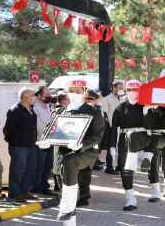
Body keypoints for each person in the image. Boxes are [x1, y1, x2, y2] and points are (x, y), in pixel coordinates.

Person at [38, 79, 105, 226]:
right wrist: (45, 141)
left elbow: (97, 136)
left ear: (85, 92)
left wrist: (81, 144)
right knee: (64, 188)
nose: (75, 94)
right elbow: (50, 130)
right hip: (62, 154)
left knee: (70, 163)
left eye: (78, 91)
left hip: (85, 153)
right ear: (67, 93)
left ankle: (67, 210)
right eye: (72, 91)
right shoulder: (60, 111)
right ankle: (69, 220)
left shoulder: (93, 112)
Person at [111, 80, 154, 211]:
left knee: (131, 162)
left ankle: (146, 161)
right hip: (125, 140)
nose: (132, 93)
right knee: (125, 171)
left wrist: (147, 113)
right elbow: (114, 128)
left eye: (135, 90)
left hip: (141, 138)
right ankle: (130, 199)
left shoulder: (145, 106)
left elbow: (151, 127)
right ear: (126, 91)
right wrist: (112, 146)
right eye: (129, 90)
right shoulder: (120, 107)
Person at [3, 88, 38, 203]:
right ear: (25, 97)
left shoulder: (31, 109)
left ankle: (25, 191)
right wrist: (13, 142)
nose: (35, 97)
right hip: (18, 145)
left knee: (30, 168)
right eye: (33, 95)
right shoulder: (15, 110)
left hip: (31, 144)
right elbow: (8, 129)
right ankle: (14, 193)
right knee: (18, 169)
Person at [33, 86, 54, 195]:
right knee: (39, 166)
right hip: (39, 141)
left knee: (47, 165)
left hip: (49, 140)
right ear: (39, 95)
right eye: (46, 95)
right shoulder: (35, 107)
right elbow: (37, 126)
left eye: (49, 94)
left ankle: (44, 186)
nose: (49, 96)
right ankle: (37, 187)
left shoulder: (48, 106)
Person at [101, 81, 125, 174]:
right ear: (113, 88)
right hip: (112, 127)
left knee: (121, 147)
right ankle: (109, 167)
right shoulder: (107, 99)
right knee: (112, 147)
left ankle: (120, 166)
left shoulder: (122, 99)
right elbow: (105, 114)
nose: (120, 90)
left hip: (122, 127)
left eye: (121, 88)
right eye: (119, 88)